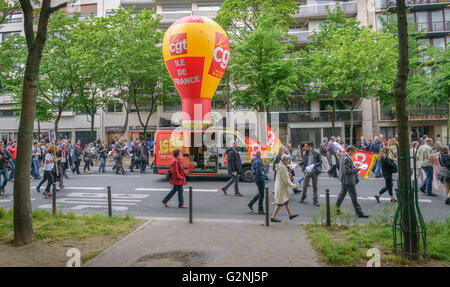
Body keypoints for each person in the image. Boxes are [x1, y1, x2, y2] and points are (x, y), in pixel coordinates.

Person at [335, 145, 369, 218]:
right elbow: (347, 171)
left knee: (342, 194)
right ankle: (359, 212)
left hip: (344, 179)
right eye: (353, 151)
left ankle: (336, 209)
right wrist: (358, 169)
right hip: (348, 180)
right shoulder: (346, 159)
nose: (354, 153)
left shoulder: (343, 156)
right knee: (353, 196)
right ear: (350, 151)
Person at [271, 154, 299, 222]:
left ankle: (290, 215)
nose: (289, 161)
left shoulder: (281, 166)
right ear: (285, 160)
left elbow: (283, 175)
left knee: (285, 201)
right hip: (281, 187)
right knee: (280, 203)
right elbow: (286, 181)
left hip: (280, 186)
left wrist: (288, 173)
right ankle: (273, 217)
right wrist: (294, 186)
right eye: (288, 160)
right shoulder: (282, 168)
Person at [299, 142, 322, 207]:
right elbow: (304, 161)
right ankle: (303, 197)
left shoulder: (316, 153)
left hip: (314, 172)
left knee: (315, 187)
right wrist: (298, 164)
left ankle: (315, 200)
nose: (305, 148)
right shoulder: (305, 153)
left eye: (306, 146)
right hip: (307, 171)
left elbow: (320, 162)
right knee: (305, 185)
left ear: (310, 146)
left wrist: (315, 164)